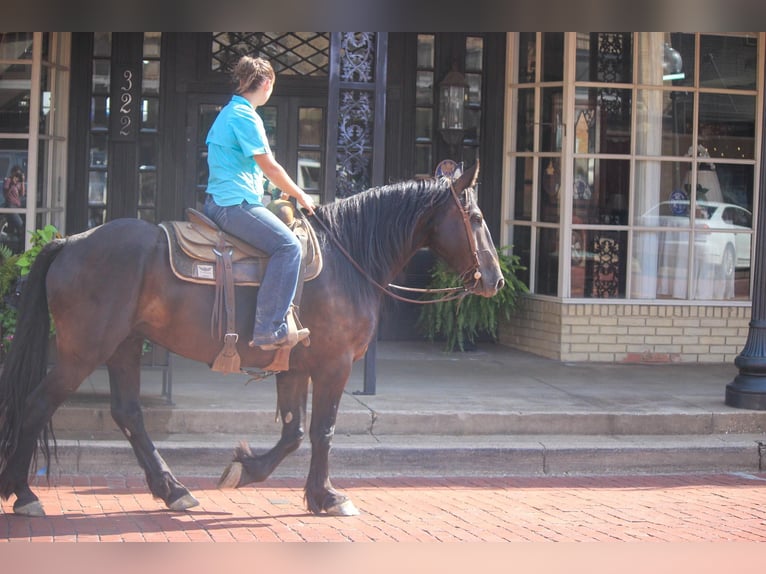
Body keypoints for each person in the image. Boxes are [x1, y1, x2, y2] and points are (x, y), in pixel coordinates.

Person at [204, 55, 316, 351]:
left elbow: (245, 167)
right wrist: (301, 194)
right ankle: (269, 328)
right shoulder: (245, 116)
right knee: (289, 247)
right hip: (234, 204)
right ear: (266, 83)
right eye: (272, 85)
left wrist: (271, 189)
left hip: (224, 200)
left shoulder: (229, 112)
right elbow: (269, 165)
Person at [3, 166, 26, 238]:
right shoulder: (8, 181)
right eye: (16, 174)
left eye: (18, 175)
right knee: (20, 224)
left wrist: (22, 182)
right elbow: (5, 194)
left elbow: (22, 194)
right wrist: (12, 184)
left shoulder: (18, 182)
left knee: (20, 227)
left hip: (17, 206)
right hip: (11, 206)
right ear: (12, 173)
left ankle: (19, 243)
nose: (17, 176)